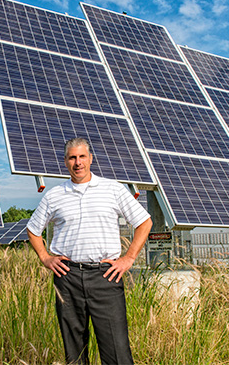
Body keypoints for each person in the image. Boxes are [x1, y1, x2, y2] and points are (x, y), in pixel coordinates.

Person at [27, 137, 153, 365]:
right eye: (72, 157)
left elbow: (144, 222)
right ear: (65, 162)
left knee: (117, 352)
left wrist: (129, 258)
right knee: (74, 351)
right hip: (67, 277)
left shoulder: (113, 189)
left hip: (105, 276)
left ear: (90, 159)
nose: (78, 162)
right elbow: (33, 230)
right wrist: (46, 258)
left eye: (82, 156)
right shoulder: (54, 195)